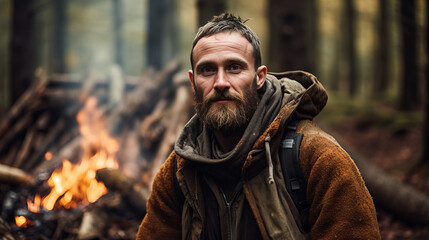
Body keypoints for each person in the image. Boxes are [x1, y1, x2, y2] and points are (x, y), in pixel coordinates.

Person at [136, 13, 380, 240]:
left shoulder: (318, 159)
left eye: (234, 67)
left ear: (259, 77)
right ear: (193, 82)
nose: (221, 83)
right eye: (207, 70)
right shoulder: (179, 172)